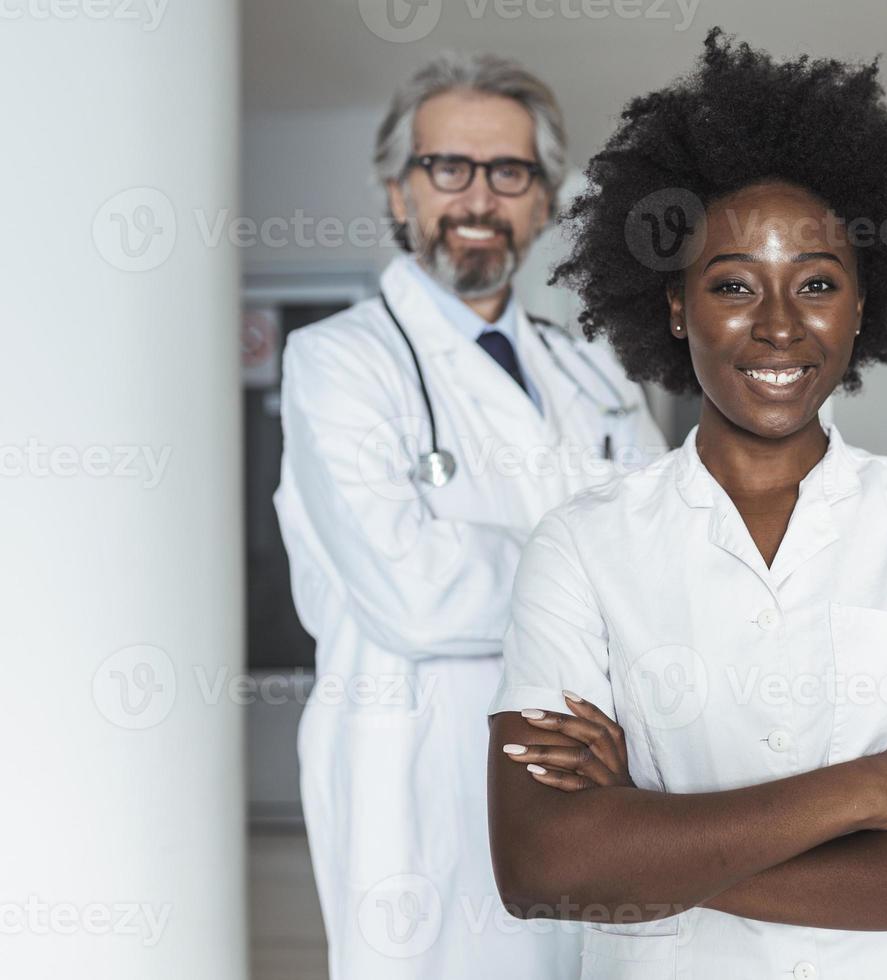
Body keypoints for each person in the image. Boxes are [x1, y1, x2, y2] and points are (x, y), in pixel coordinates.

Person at [486, 30, 887, 980]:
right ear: (676, 307)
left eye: (819, 284)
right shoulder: (583, 545)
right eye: (734, 285)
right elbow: (544, 867)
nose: (781, 325)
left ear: (865, 302)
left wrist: (644, 841)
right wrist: (874, 788)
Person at [273, 52, 665, 980]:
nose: (476, 197)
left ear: (542, 201)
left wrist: (539, 568)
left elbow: (672, 546)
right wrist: (597, 583)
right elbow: (412, 595)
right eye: (447, 167)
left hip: (600, 767)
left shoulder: (593, 370)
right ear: (399, 192)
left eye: (509, 172)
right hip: (420, 775)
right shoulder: (338, 364)